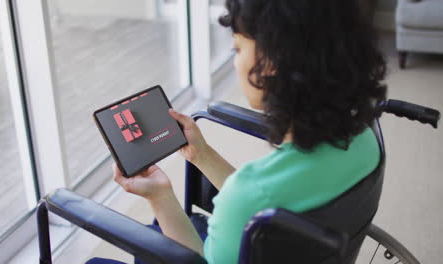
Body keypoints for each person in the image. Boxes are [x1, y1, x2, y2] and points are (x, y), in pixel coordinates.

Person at [89, 0, 387, 263]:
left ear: (270, 62)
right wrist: (202, 155)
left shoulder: (245, 196)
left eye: (238, 48)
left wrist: (159, 195)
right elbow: (264, 201)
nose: (234, 60)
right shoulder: (365, 140)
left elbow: (242, 209)